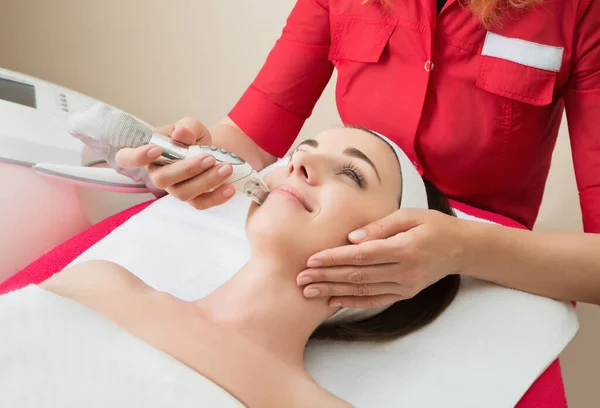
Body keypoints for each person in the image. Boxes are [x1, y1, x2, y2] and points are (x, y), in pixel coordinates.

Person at [116, 0, 600, 310]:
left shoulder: (579, 11)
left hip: (487, 277)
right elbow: (249, 139)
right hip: (333, 261)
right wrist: (193, 159)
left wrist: (461, 247)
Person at [1, 127, 459, 407]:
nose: (298, 163)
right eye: (301, 149)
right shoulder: (97, 281)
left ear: (396, 256)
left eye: (352, 174)